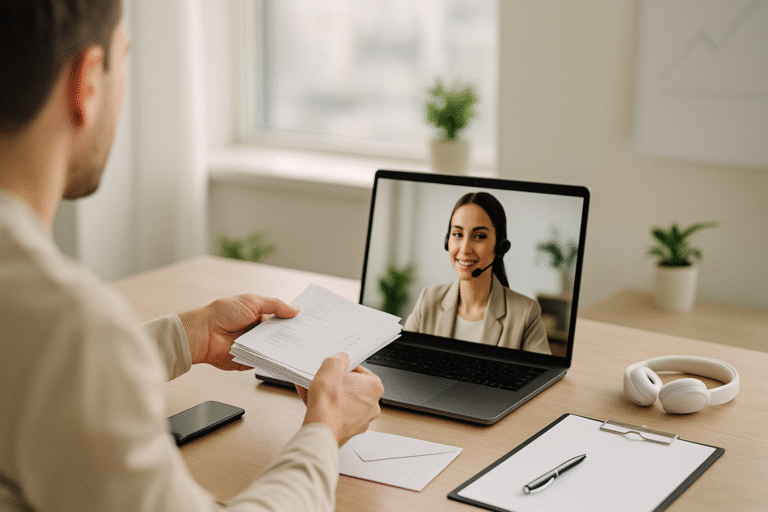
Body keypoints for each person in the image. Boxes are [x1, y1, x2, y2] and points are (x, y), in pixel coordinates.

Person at [0, 1, 383, 511]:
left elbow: (29, 370)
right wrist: (322, 432)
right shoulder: (63, 322)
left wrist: (187, 336)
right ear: (87, 82)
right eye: (125, 58)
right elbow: (57, 351)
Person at [404, 192, 551, 354]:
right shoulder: (429, 299)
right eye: (457, 234)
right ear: (447, 241)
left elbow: (546, 377)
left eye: (479, 236)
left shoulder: (525, 313)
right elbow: (400, 358)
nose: (465, 249)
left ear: (500, 247)